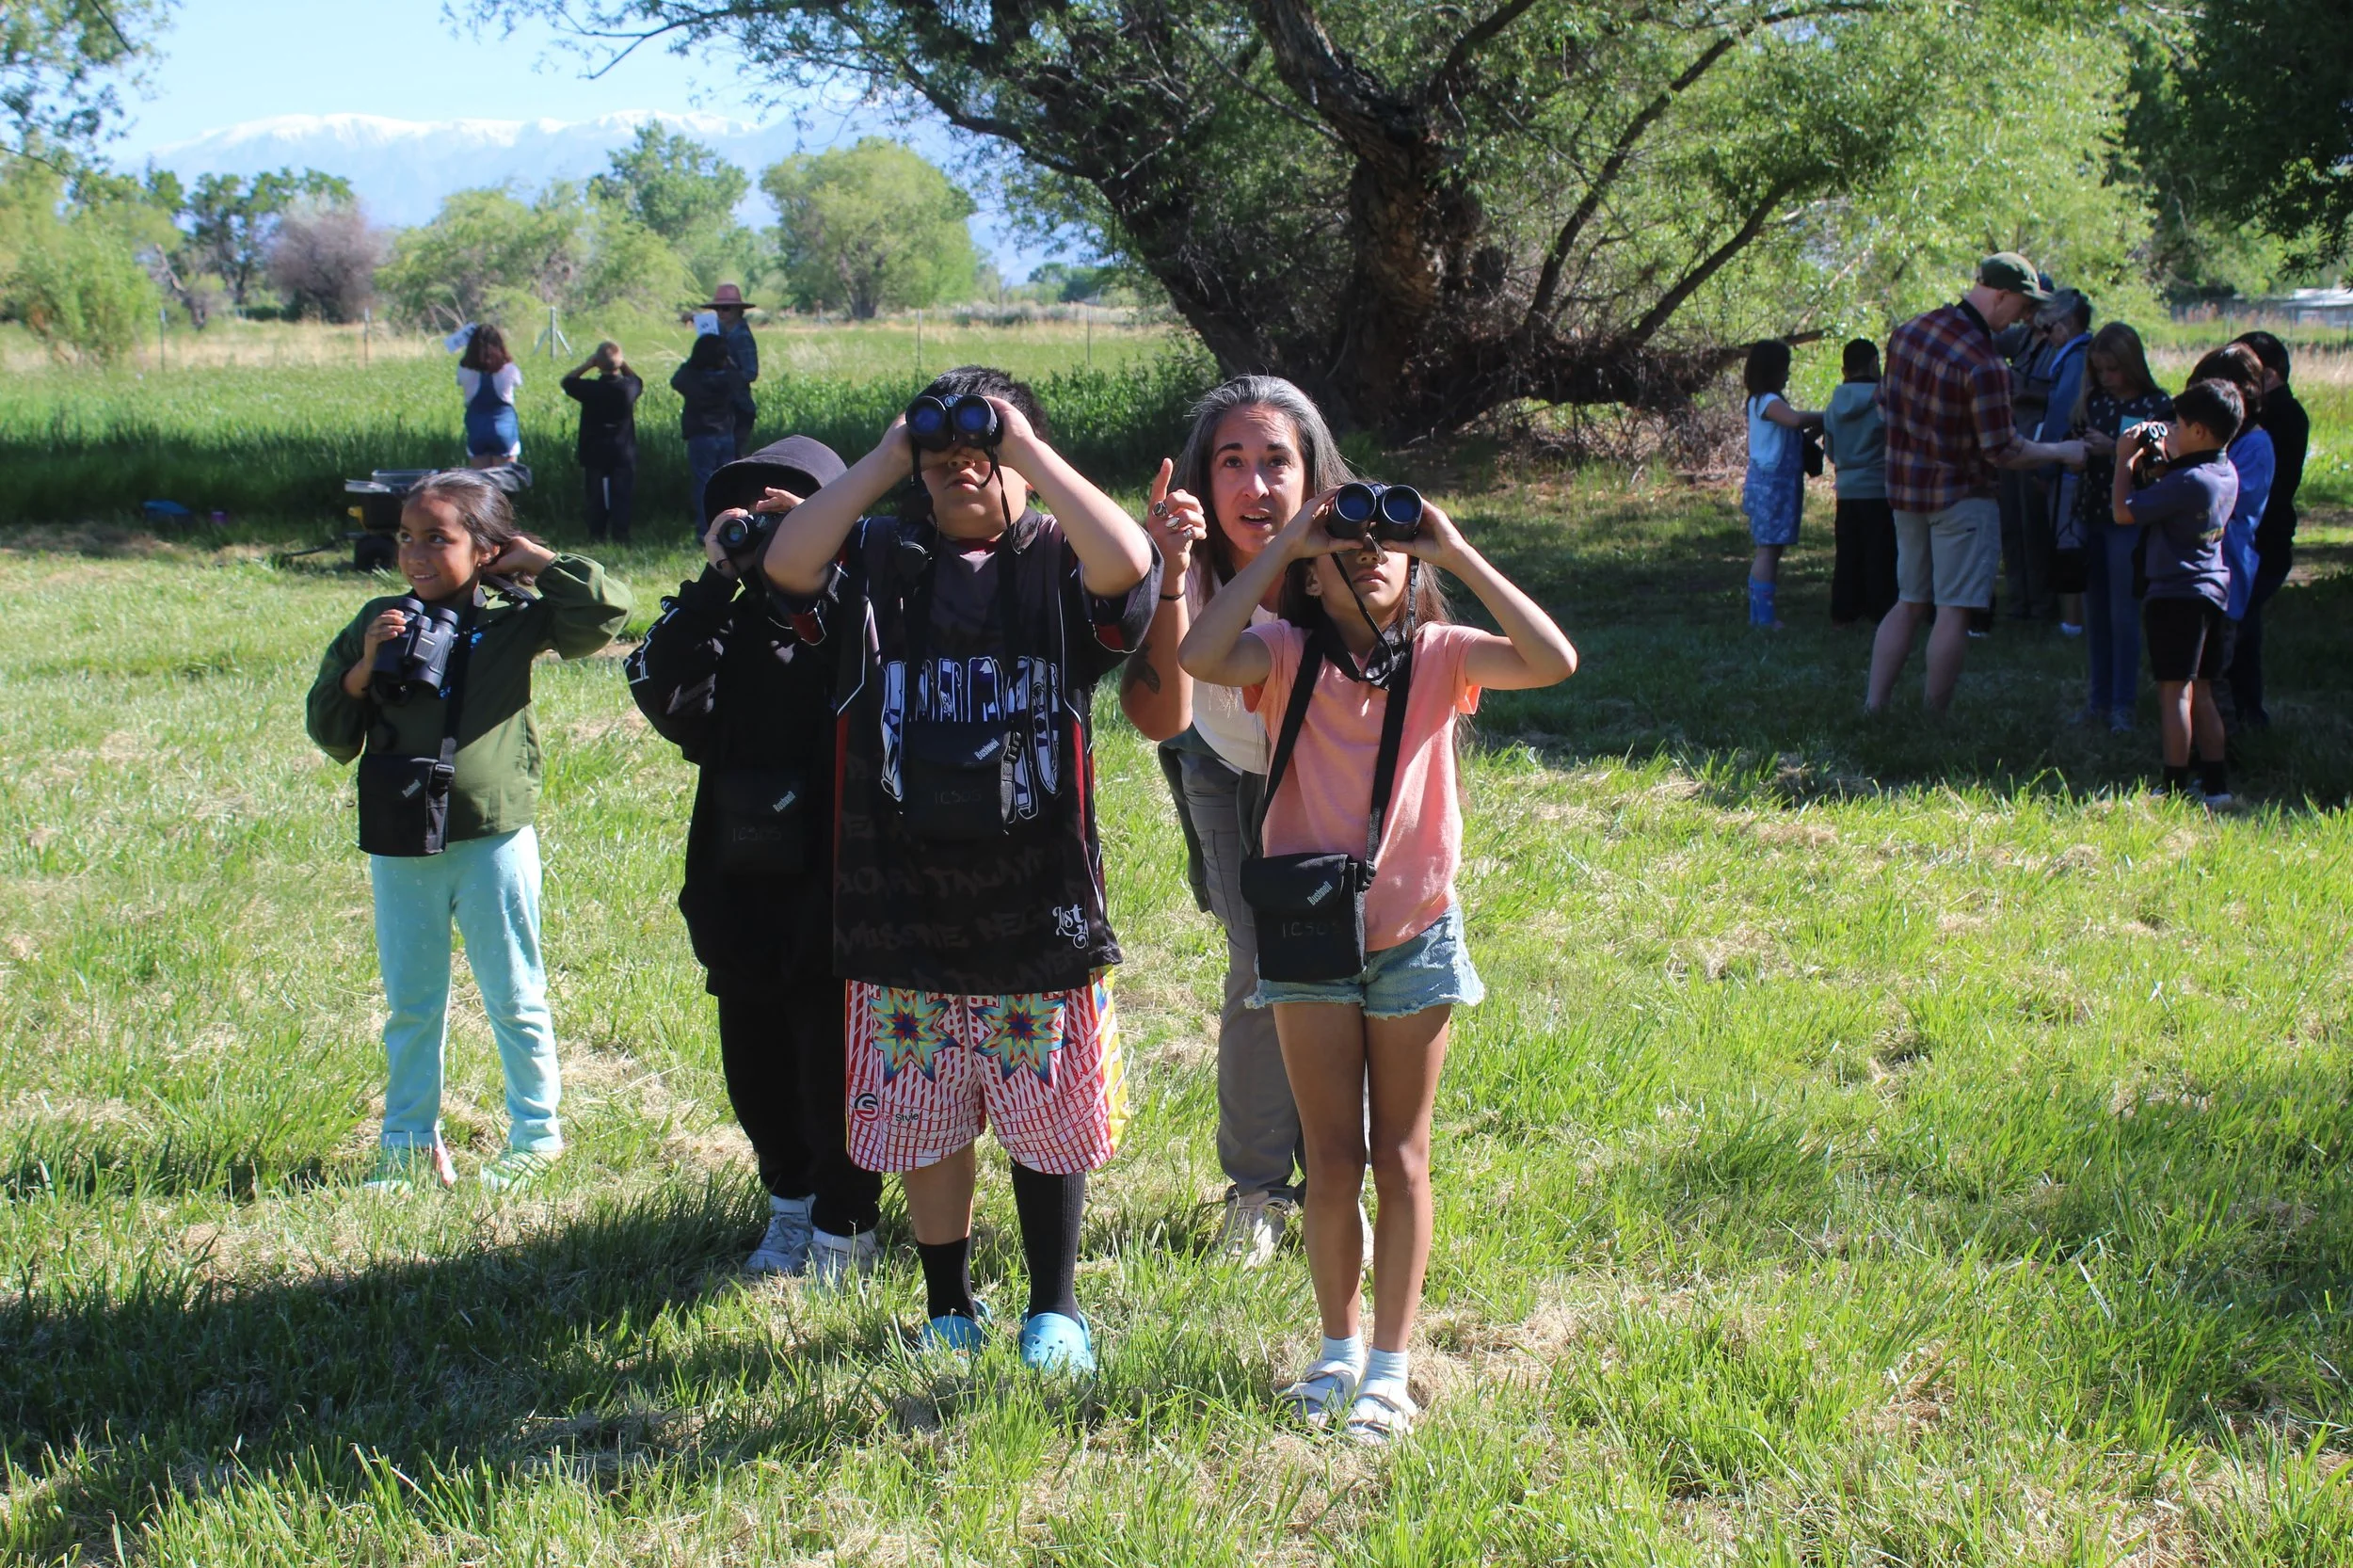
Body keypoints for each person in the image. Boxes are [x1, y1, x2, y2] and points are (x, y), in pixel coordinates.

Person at [760, 365, 1159, 1373]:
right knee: (927, 1107)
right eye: (941, 467)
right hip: (898, 907)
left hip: (1039, 907)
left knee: (1044, 1119)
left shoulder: (1055, 564)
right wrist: (891, 456)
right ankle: (947, 1306)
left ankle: (1053, 1308)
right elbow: (787, 566)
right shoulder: (878, 559)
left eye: (982, 460)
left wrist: (1022, 449)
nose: (959, 475)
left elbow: (1130, 566)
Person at [1178, 481, 1576, 1446]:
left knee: (1401, 1154)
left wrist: (1451, 547)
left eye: (1386, 543)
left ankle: (1389, 1367)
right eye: (1347, 545)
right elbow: (1196, 655)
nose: (1369, 553)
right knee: (1333, 1160)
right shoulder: (1280, 650)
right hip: (1310, 933)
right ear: (1314, 576)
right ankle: (1333, 1348)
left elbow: (1554, 659)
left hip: (1412, 932)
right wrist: (1287, 549)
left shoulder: (1441, 656)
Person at [305, 471, 632, 1193]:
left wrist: (537, 562)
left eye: (437, 539)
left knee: (515, 993)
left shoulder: (514, 623)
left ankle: (536, 1135)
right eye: (405, 539)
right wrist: (363, 668)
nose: (416, 555)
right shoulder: (377, 619)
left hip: (491, 838)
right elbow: (330, 732)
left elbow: (609, 610)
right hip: (402, 840)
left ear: (483, 549)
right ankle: (408, 1144)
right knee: (412, 1003)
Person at [626, 436, 886, 1281]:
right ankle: (788, 1204)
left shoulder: (865, 603)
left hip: (842, 875)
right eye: (751, 511)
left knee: (831, 1054)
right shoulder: (721, 621)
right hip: (741, 875)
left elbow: (880, 671)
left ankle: (847, 1219)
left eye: (798, 508)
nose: (774, 525)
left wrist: (819, 558)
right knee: (756, 1055)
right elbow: (668, 697)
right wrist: (715, 580)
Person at [1120, 376, 1356, 1265]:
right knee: (1261, 965)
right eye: (1233, 463)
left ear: (1313, 474)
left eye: (1276, 462)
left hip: (1328, 774)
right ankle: (1257, 1191)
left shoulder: (1352, 550)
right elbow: (1159, 711)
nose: (1256, 487)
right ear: (1201, 481)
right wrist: (1171, 575)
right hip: (1221, 766)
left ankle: (1342, 1174)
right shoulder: (1179, 560)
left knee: (1344, 965)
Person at [1865, 254, 2088, 714]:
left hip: (1907, 494)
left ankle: (1874, 707)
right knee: (1953, 610)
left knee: (1908, 601)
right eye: (2024, 306)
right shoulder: (1983, 362)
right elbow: (2004, 450)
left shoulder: (1908, 332)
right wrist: (2064, 452)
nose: (2026, 318)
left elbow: (1883, 407)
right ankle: (1934, 719)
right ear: (2001, 295)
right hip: (1962, 499)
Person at [2107, 378, 2241, 806]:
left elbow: (2123, 513)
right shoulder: (2223, 472)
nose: (2173, 431)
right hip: (2212, 590)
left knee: (2174, 693)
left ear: (2200, 431)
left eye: (2180, 426)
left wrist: (2124, 460)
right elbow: (2182, 484)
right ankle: (2216, 785)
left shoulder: (2189, 483)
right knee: (2201, 689)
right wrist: (2165, 459)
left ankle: (2174, 786)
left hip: (2175, 593)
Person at [2070, 323, 2172, 731]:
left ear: (2131, 364)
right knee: (2096, 614)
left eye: (2113, 369)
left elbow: (2163, 466)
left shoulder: (2157, 405)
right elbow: (2071, 439)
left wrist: (2115, 450)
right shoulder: (2092, 401)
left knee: (2124, 614)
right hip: (2091, 514)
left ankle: (2123, 705)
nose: (2107, 378)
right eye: (2099, 370)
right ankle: (2098, 700)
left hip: (2129, 520)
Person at [2226, 330, 2309, 727]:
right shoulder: (2258, 416)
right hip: (2254, 541)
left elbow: (2272, 489)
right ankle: (2242, 712)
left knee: (2241, 629)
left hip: (2264, 541)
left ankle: (2245, 714)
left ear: (2271, 375)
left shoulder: (2282, 418)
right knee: (2242, 629)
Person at [2188, 346, 2274, 659]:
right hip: (2195, 573)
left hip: (2227, 571)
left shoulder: (2255, 444)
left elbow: (2229, 504)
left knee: (2219, 670)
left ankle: (2234, 709)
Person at [1738, 340, 1821, 629]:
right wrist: (1826, 415)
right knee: (1769, 549)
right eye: (1785, 369)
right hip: (1772, 486)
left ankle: (1760, 613)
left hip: (1777, 484)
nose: (1787, 375)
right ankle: (1764, 617)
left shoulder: (1762, 401)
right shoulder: (1768, 402)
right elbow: (1795, 420)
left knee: (1772, 548)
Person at [2026, 291, 2094, 634]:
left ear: (2067, 325)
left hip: (2068, 470)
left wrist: (2044, 465)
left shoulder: (2075, 360)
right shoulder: (2074, 358)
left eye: (2049, 328)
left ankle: (2073, 623)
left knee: (2070, 542)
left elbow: (2060, 419)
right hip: (2067, 466)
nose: (2046, 337)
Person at [1822, 338, 1897, 628]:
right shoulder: (1883, 401)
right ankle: (1880, 610)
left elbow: (1830, 450)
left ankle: (1844, 611)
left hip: (1847, 488)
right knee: (1880, 552)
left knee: (1848, 553)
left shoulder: (1832, 405)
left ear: (1844, 369)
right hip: (1878, 487)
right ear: (1874, 364)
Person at [561, 342, 643, 544]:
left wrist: (588, 365)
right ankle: (621, 533)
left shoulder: (590, 389)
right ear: (619, 362)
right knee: (622, 492)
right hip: (623, 449)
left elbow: (567, 381)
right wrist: (623, 364)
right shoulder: (627, 389)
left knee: (595, 494)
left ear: (598, 363)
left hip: (594, 448)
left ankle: (596, 533)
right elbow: (637, 380)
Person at [672, 332, 747, 539]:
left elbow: (676, 380)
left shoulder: (692, 378)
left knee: (703, 484)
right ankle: (730, 529)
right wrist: (729, 361)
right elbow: (740, 379)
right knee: (726, 483)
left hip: (701, 435)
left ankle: (705, 530)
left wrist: (691, 361)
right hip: (725, 434)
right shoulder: (729, 377)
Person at [700, 283, 761, 456]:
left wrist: (728, 371)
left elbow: (751, 373)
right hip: (723, 408)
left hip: (739, 407)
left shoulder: (742, 336)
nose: (720, 312)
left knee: (734, 458)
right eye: (717, 309)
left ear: (737, 310)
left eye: (725, 308)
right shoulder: (719, 332)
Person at [456, 325, 522, 470]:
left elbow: (460, 382)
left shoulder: (464, 368)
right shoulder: (509, 368)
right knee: (506, 485)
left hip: (477, 426)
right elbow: (518, 382)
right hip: (504, 427)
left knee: (481, 486)